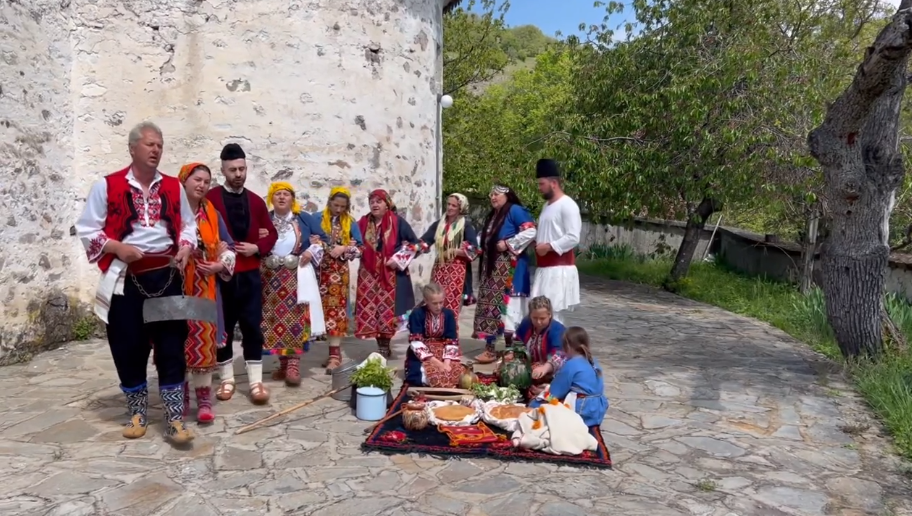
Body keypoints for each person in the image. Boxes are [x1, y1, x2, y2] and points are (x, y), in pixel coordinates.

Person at [74, 121, 197, 444]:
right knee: (128, 345)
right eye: (150, 144)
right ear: (133, 148)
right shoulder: (107, 185)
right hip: (126, 280)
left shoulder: (172, 186)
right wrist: (117, 248)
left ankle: (174, 419)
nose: (156, 150)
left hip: (167, 276)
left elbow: (188, 225)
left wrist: (185, 246)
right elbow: (88, 229)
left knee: (172, 345)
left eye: (159, 145)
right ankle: (138, 413)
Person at [205, 143, 278, 405]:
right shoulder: (211, 199)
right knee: (222, 329)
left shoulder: (256, 201)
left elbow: (272, 233)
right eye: (233, 169)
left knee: (252, 328)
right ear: (223, 170)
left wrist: (257, 247)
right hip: (222, 276)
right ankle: (227, 380)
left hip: (249, 276)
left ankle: (256, 383)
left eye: (242, 169)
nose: (238, 174)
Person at [178, 163, 236, 424]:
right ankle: (180, 396)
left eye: (206, 181)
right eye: (197, 179)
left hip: (204, 286)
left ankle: (203, 398)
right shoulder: (171, 211)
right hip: (174, 284)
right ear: (184, 180)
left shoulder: (211, 213)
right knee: (175, 341)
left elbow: (229, 247)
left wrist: (219, 264)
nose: (201, 185)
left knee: (202, 343)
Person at [260, 182, 325, 385]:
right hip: (270, 278)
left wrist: (309, 251)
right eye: (277, 194)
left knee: (295, 319)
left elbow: (322, 240)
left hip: (295, 275)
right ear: (272, 197)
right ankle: (282, 363)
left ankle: (294, 364)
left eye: (286, 194)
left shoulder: (304, 219)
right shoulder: (265, 219)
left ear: (292, 198)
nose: (281, 197)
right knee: (273, 321)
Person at [354, 189, 428, 358]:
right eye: (372, 201)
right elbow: (355, 242)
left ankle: (384, 345)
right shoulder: (363, 223)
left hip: (390, 275)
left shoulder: (398, 222)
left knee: (387, 310)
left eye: (378, 201)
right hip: (368, 274)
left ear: (387, 204)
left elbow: (418, 245)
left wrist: (399, 259)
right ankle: (379, 344)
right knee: (372, 310)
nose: (374, 204)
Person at [472, 184, 537, 363]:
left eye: (497, 194)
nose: (493, 197)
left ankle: (511, 350)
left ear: (507, 196)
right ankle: (490, 349)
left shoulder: (514, 210)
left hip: (510, 269)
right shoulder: (493, 216)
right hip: (492, 269)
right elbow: (482, 238)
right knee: (489, 307)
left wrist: (508, 244)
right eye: (491, 194)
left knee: (510, 308)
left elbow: (531, 231)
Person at [315, 186, 363, 372]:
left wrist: (344, 249)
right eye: (336, 205)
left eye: (343, 206)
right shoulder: (317, 219)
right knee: (317, 311)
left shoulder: (350, 222)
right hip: (318, 272)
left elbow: (359, 247)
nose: (338, 210)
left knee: (336, 312)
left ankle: (335, 355)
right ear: (329, 202)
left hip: (338, 274)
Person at [530, 159, 581, 324]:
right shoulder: (546, 206)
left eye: (542, 184)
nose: (539, 188)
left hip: (559, 269)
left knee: (553, 314)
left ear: (553, 183)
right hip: (544, 269)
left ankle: (555, 348)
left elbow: (573, 236)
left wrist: (550, 247)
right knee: (538, 312)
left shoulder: (568, 205)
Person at [529, 326, 608, 427]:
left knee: (535, 405)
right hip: (597, 408)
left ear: (567, 347)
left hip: (583, 409)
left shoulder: (571, 364)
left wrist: (541, 394)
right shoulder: (593, 361)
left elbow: (554, 394)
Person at [419, 193, 478, 319]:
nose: (450, 207)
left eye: (454, 205)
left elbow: (474, 250)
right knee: (435, 305)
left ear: (460, 208)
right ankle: (435, 335)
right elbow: (425, 241)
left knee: (451, 310)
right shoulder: (439, 225)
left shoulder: (466, 226)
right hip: (440, 270)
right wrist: (414, 247)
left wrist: (454, 251)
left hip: (458, 273)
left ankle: (450, 337)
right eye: (448, 204)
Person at [404, 283, 465, 388]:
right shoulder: (417, 314)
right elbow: (416, 343)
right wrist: (438, 364)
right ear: (426, 301)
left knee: (457, 373)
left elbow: (452, 341)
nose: (439, 306)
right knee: (424, 376)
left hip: (443, 351)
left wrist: (446, 363)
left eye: (441, 302)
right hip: (424, 353)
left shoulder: (448, 314)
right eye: (434, 303)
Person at [507, 296, 567, 399]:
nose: (538, 322)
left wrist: (545, 367)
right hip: (530, 365)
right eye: (535, 318)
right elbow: (518, 342)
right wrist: (512, 354)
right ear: (530, 315)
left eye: (542, 318)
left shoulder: (557, 330)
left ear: (550, 315)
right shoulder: (527, 323)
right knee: (504, 369)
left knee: (532, 382)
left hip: (550, 371)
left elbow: (559, 355)